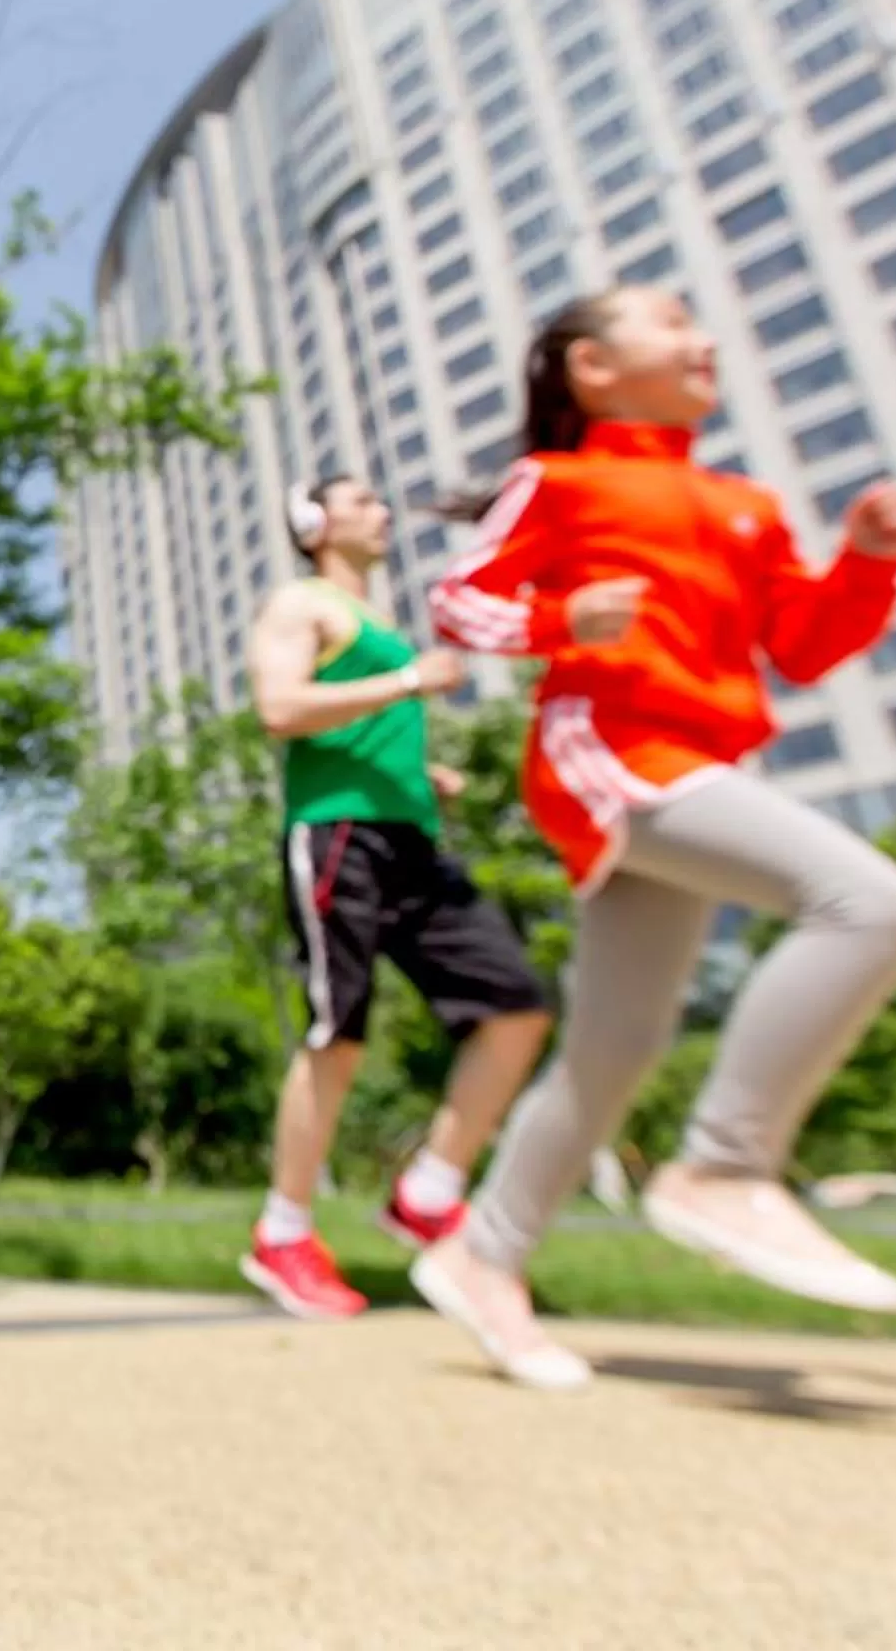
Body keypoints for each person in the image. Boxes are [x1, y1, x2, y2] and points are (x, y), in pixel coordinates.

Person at [411, 285, 896, 1391]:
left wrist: (868, 564)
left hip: (701, 763)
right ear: (592, 367)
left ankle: (485, 1251)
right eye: (669, 320)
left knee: (616, 1046)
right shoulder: (558, 481)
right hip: (609, 750)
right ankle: (725, 1166)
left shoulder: (743, 503)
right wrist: (562, 621)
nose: (702, 337)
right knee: (876, 902)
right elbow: (461, 602)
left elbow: (799, 642)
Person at [237, 476, 554, 1321]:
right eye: (362, 500)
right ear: (317, 524)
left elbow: (360, 726)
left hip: (411, 838)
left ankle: (429, 1187)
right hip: (337, 835)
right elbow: (280, 707)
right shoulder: (299, 604)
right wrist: (409, 682)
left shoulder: (377, 621)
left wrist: (420, 773)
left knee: (516, 1006)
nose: (382, 511)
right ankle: (283, 1233)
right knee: (336, 1033)